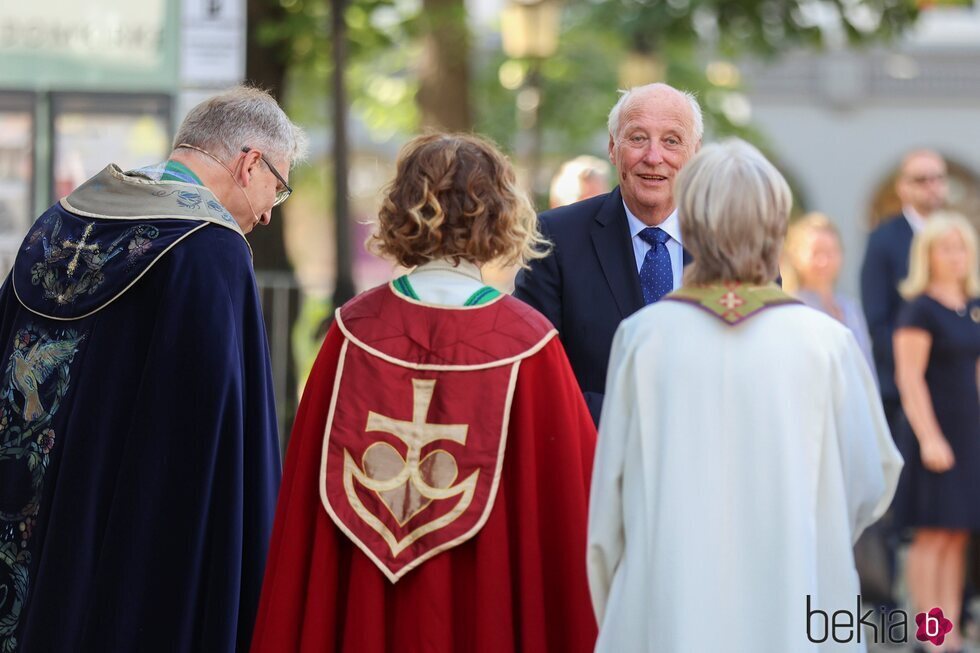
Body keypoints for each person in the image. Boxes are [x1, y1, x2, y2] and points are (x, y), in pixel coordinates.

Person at [250, 133, 598, 653]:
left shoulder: (352, 332)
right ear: (500, 214)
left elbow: (305, 519)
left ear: (400, 209)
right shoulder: (528, 345)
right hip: (483, 611)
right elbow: (573, 514)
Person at [0, 85, 304, 652]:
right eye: (277, 189)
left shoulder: (58, 224)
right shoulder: (211, 249)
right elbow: (225, 434)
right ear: (249, 162)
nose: (266, 213)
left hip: (25, 513)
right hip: (125, 545)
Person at [587, 139, 902, 652]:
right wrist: (808, 528)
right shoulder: (825, 343)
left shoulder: (646, 338)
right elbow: (871, 478)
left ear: (690, 223)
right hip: (797, 606)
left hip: (672, 609)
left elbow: (610, 508)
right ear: (776, 228)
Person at [514, 83, 702, 422]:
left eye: (671, 141)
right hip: (594, 458)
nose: (654, 156)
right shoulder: (555, 239)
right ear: (613, 148)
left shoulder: (728, 244)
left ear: (695, 153)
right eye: (638, 138)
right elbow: (533, 374)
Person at [892, 214, 980, 653]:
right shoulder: (919, 308)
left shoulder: (973, 305)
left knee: (958, 532)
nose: (955, 255)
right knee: (931, 534)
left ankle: (952, 637)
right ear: (928, 255)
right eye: (946, 247)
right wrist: (929, 438)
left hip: (970, 433)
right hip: (935, 434)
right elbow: (910, 379)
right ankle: (933, 638)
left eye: (961, 247)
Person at [861, 149, 948, 436]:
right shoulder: (883, 240)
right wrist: (916, 372)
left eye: (937, 178)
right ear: (903, 187)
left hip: (955, 386)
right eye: (921, 179)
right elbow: (878, 319)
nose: (931, 186)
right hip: (901, 392)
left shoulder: (956, 237)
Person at [783, 213, 876, 374]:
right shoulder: (791, 310)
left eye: (831, 252)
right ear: (796, 256)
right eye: (816, 253)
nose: (824, 261)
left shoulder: (850, 307)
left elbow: (867, 367)